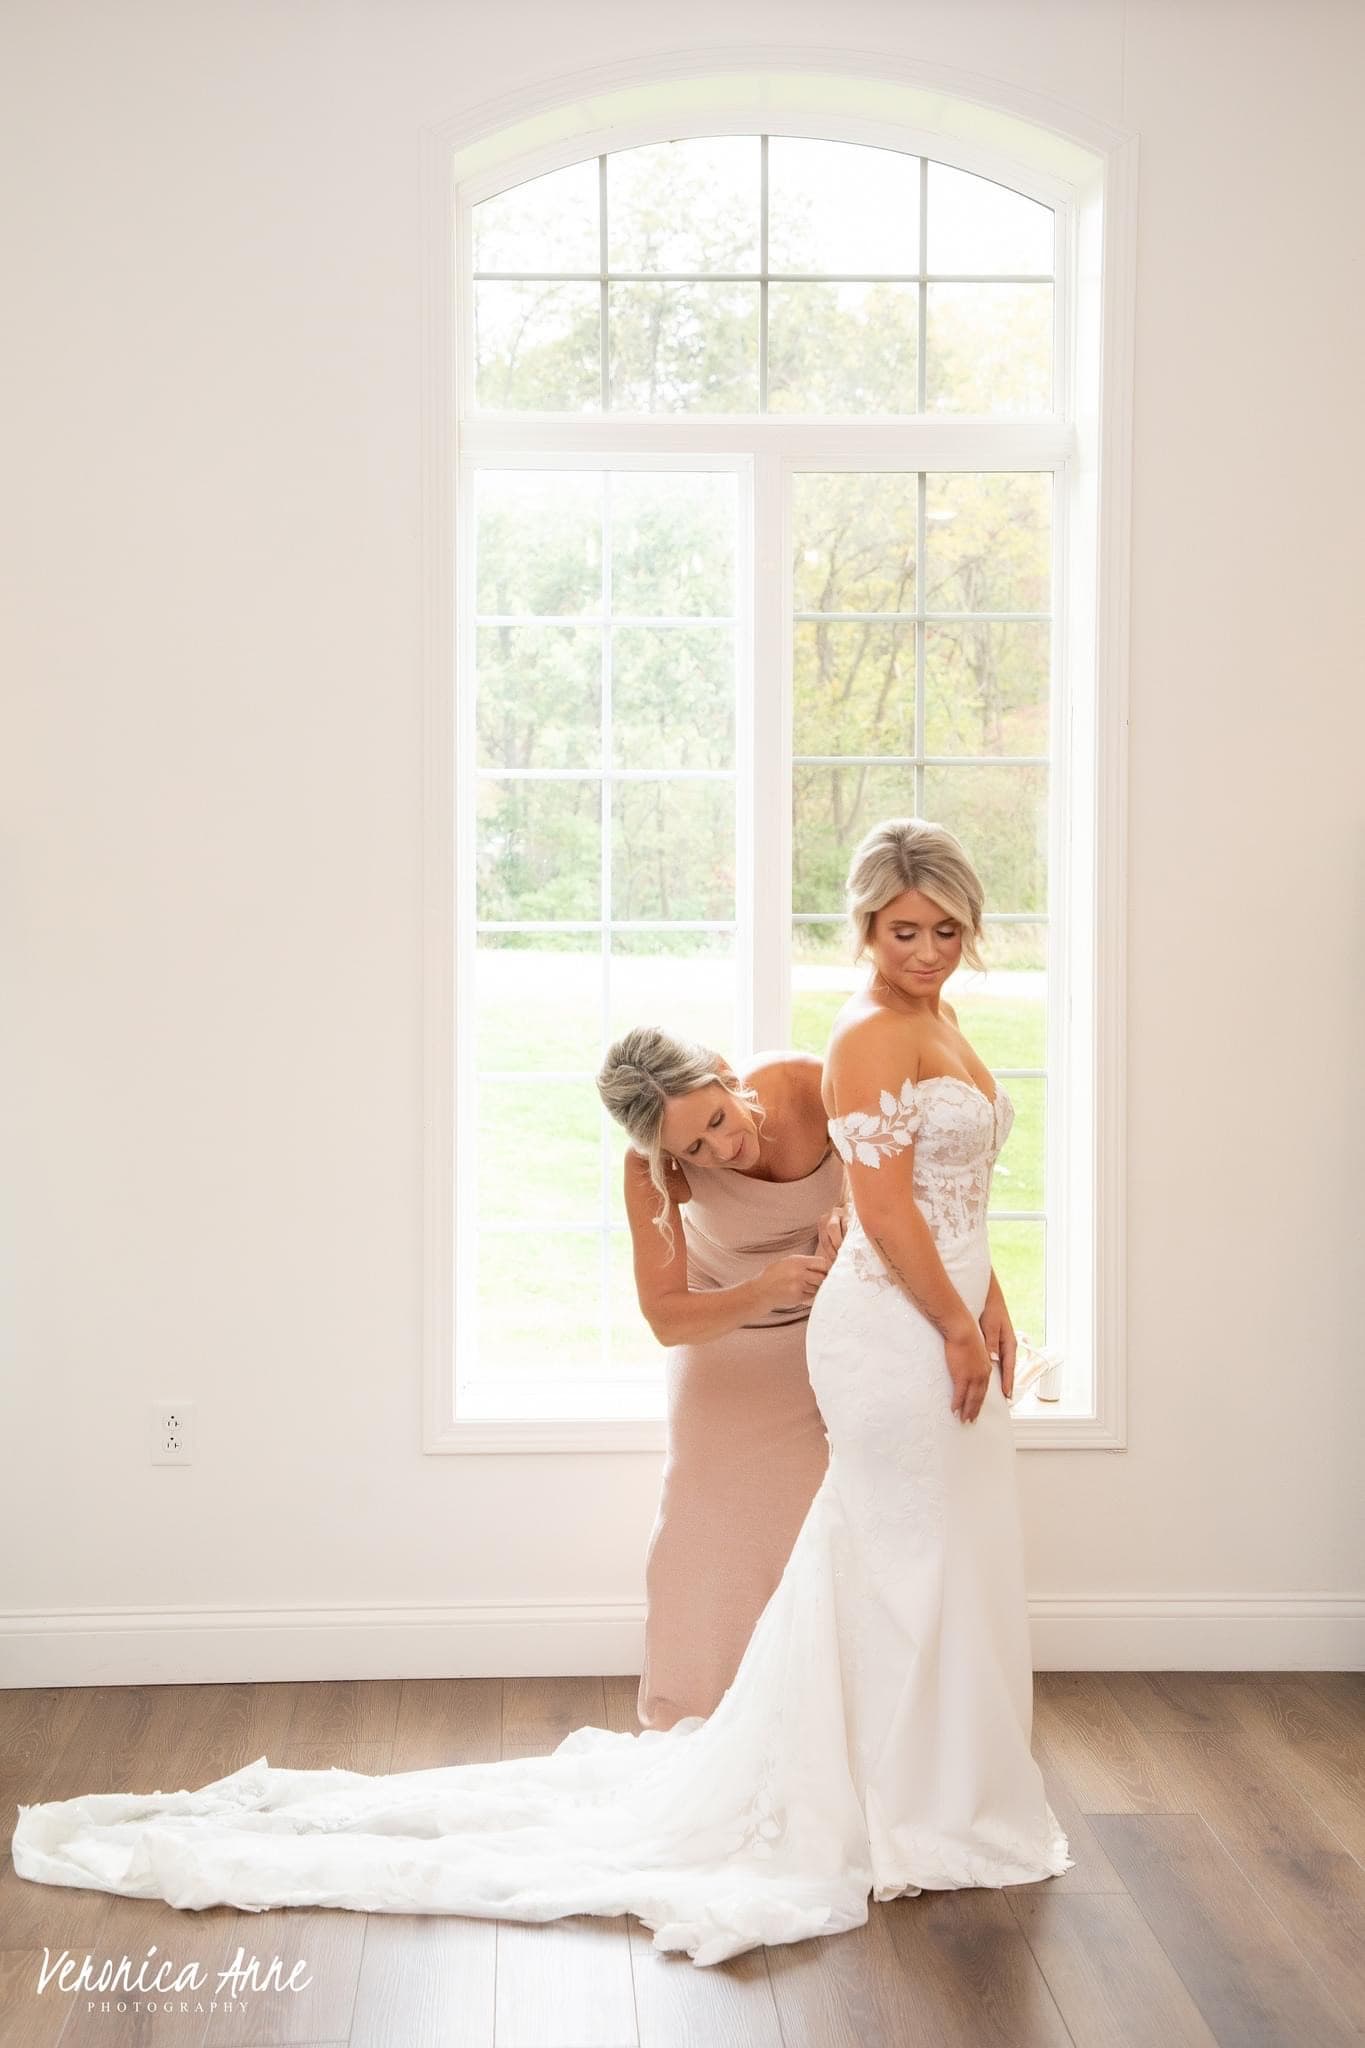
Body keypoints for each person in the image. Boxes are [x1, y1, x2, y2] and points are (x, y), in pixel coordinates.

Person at [11, 817, 1071, 1967]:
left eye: (946, 927)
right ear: (866, 928)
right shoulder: (768, 1098)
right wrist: (876, 1300)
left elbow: (940, 1185)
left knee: (898, 1552)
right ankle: (809, 1765)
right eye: (903, 929)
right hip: (822, 1337)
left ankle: (902, 1776)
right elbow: (750, 1274)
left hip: (892, 1318)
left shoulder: (874, 1049)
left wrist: (989, 1296)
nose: (716, 1146)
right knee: (801, 1550)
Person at [598, 1030, 845, 1731]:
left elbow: (903, 1187)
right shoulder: (646, 1169)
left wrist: (852, 1232)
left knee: (830, 1525)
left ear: (724, 1074)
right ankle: (699, 1720)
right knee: (704, 1535)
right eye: (694, 1152)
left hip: (838, 1328)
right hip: (723, 1340)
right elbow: (666, 1317)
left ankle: (825, 1718)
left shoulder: (811, 1083)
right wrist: (760, 1291)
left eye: (715, 1120)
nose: (721, 1150)